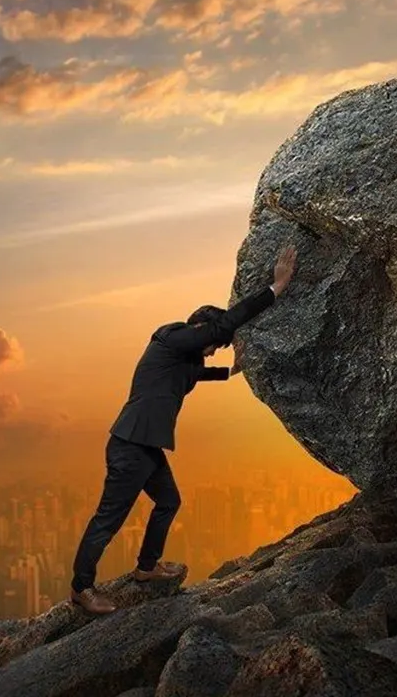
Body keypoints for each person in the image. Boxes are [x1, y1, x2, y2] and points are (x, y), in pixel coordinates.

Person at [69, 244, 299, 613]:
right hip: (130, 446)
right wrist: (276, 288)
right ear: (199, 330)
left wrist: (229, 370)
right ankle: (82, 589)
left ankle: (146, 568)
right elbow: (224, 324)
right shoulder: (170, 337)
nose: (211, 352)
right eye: (212, 345)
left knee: (169, 501)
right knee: (108, 521)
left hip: (145, 447)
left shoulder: (182, 360)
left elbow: (199, 372)